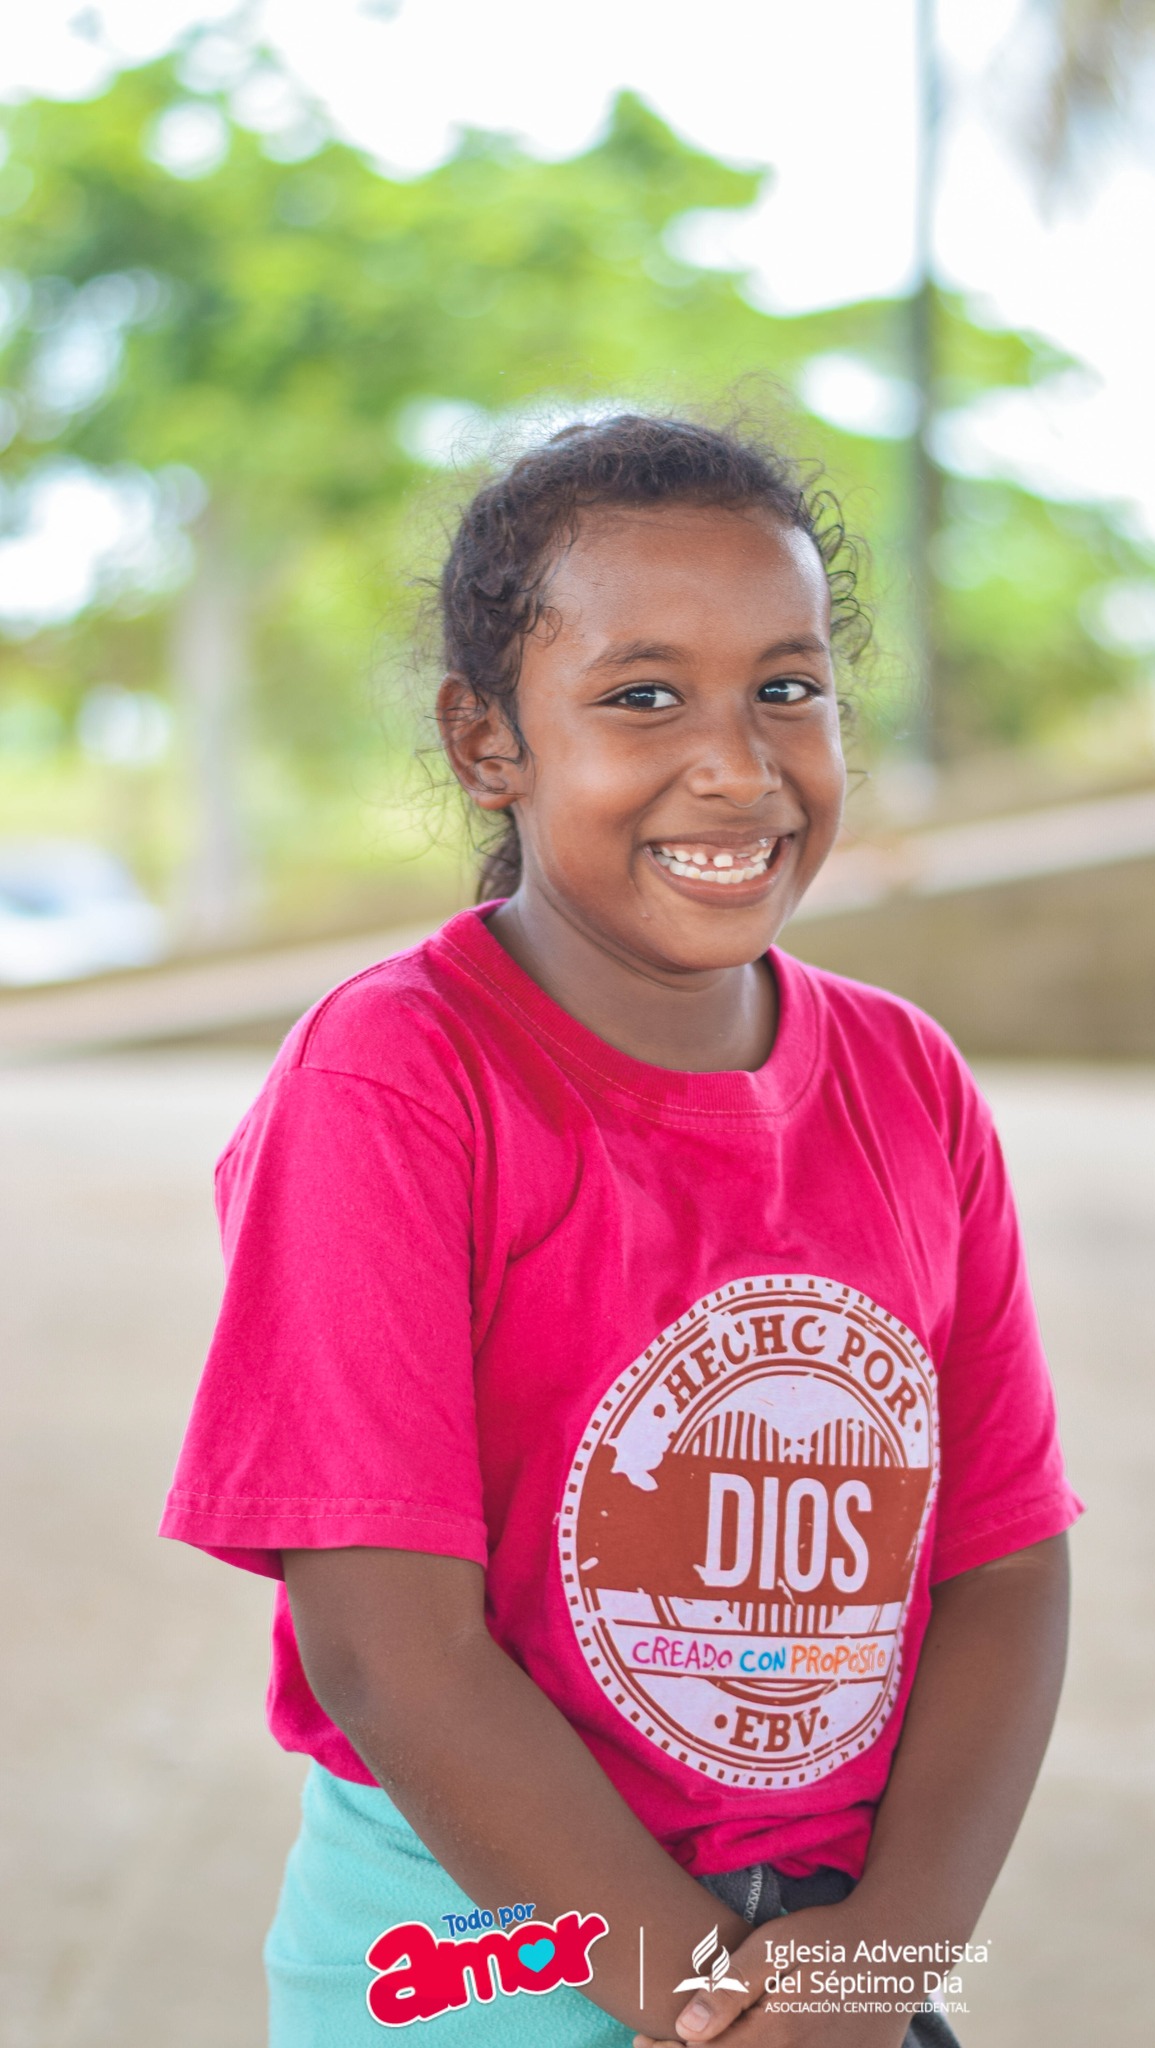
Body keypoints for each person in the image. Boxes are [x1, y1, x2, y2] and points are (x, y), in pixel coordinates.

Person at [161, 414, 1081, 2048]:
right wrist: (714, 2001)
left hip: (830, 1947)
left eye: (785, 688)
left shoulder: (908, 1083)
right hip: (475, 1953)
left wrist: (875, 1969)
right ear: (486, 740)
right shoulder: (394, 1080)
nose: (735, 765)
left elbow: (1000, 1569)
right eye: (643, 697)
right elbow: (390, 1652)